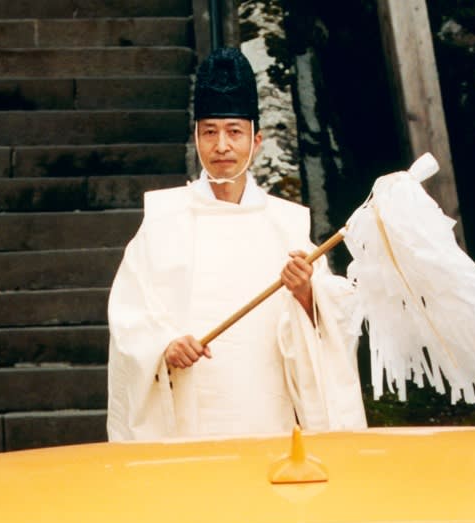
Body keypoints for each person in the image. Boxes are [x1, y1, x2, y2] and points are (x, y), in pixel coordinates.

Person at [106, 48, 368, 443]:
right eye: (209, 132)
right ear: (196, 139)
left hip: (265, 409)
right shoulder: (163, 218)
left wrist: (305, 292)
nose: (222, 146)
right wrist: (164, 346)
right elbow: (129, 314)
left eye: (234, 131)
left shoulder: (286, 222)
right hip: (187, 410)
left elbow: (330, 320)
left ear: (256, 139)